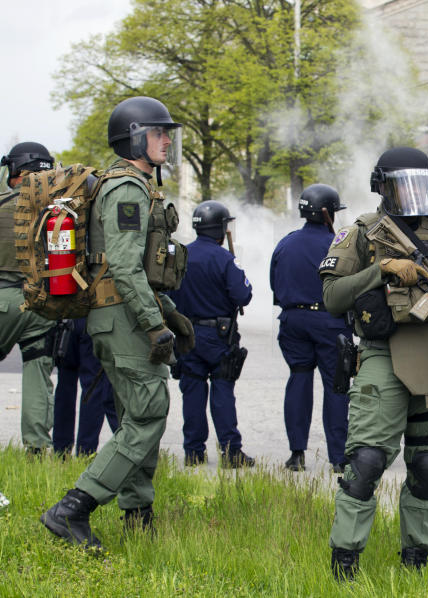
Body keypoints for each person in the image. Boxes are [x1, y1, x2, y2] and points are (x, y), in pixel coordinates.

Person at [321, 147, 428, 579]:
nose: (415, 195)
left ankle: (416, 562)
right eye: (404, 186)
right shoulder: (361, 233)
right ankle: (345, 564)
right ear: (382, 187)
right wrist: (382, 269)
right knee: (367, 463)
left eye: (423, 185)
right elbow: (333, 297)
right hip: (382, 354)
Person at [41, 96, 195, 549]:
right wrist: (154, 324)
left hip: (119, 316)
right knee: (148, 415)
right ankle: (73, 509)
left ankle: (137, 515)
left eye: (168, 132)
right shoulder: (127, 189)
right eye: (158, 132)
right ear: (134, 138)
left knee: (134, 415)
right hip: (124, 318)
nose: (167, 139)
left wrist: (168, 315)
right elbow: (125, 268)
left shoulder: (138, 185)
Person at [270, 183, 351, 473]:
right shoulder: (339, 245)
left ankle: (296, 454)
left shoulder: (286, 242)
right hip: (330, 321)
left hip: (293, 320)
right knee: (336, 386)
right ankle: (339, 457)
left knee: (299, 380)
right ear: (327, 212)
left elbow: (274, 285)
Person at [167, 200, 254, 468]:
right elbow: (243, 295)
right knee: (223, 391)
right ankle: (231, 451)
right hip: (219, 335)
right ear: (219, 229)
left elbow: (169, 294)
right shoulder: (225, 259)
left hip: (187, 334)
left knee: (192, 391)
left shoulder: (182, 255)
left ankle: (193, 451)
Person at [0, 142, 56, 453]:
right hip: (41, 306)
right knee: (38, 374)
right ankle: (37, 450)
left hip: (1, 300)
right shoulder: (59, 210)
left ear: (15, 170)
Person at [52, 318, 119, 456]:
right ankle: (85, 452)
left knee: (65, 386)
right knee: (93, 388)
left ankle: (61, 451)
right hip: (93, 321)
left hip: (65, 319)